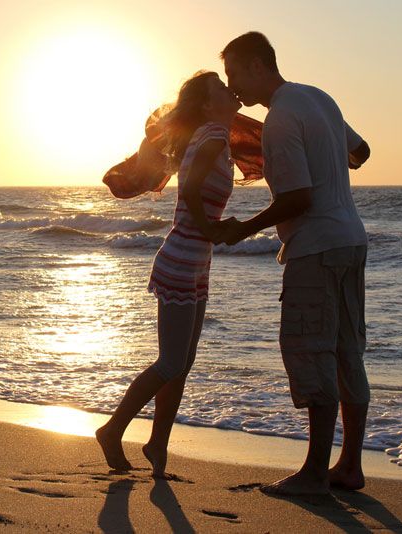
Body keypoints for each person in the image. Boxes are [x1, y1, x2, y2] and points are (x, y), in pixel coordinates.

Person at [218, 32, 371, 495]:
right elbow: (359, 154)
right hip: (351, 239)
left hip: (315, 248)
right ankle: (348, 466)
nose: (234, 88)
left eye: (235, 74)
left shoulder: (281, 119)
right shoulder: (317, 97)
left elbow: (298, 198)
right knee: (348, 352)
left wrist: (241, 228)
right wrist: (327, 159)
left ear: (258, 66)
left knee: (310, 350)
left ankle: (312, 474)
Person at [96, 71, 242, 476]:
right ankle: (112, 430)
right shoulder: (213, 135)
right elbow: (192, 192)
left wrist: (215, 227)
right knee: (171, 362)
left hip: (194, 260)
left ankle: (158, 445)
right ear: (208, 105)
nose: (231, 91)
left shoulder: (213, 135)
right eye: (221, 89)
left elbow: (199, 197)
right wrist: (213, 229)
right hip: (182, 260)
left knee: (181, 363)